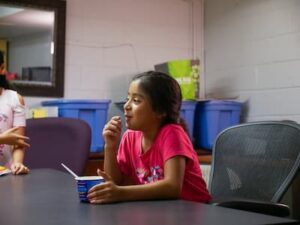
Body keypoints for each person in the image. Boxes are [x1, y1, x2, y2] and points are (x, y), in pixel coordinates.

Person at [88, 71, 211, 204]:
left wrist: (121, 193)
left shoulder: (172, 134)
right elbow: (115, 182)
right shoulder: (130, 136)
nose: (126, 106)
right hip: (158, 211)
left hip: (192, 211)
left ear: (160, 111)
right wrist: (110, 147)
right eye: (127, 99)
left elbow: (172, 187)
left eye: (136, 101)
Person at [0, 50, 29, 174]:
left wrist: (18, 163)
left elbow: (18, 142)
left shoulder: (15, 99)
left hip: (5, 174)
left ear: (2, 68)